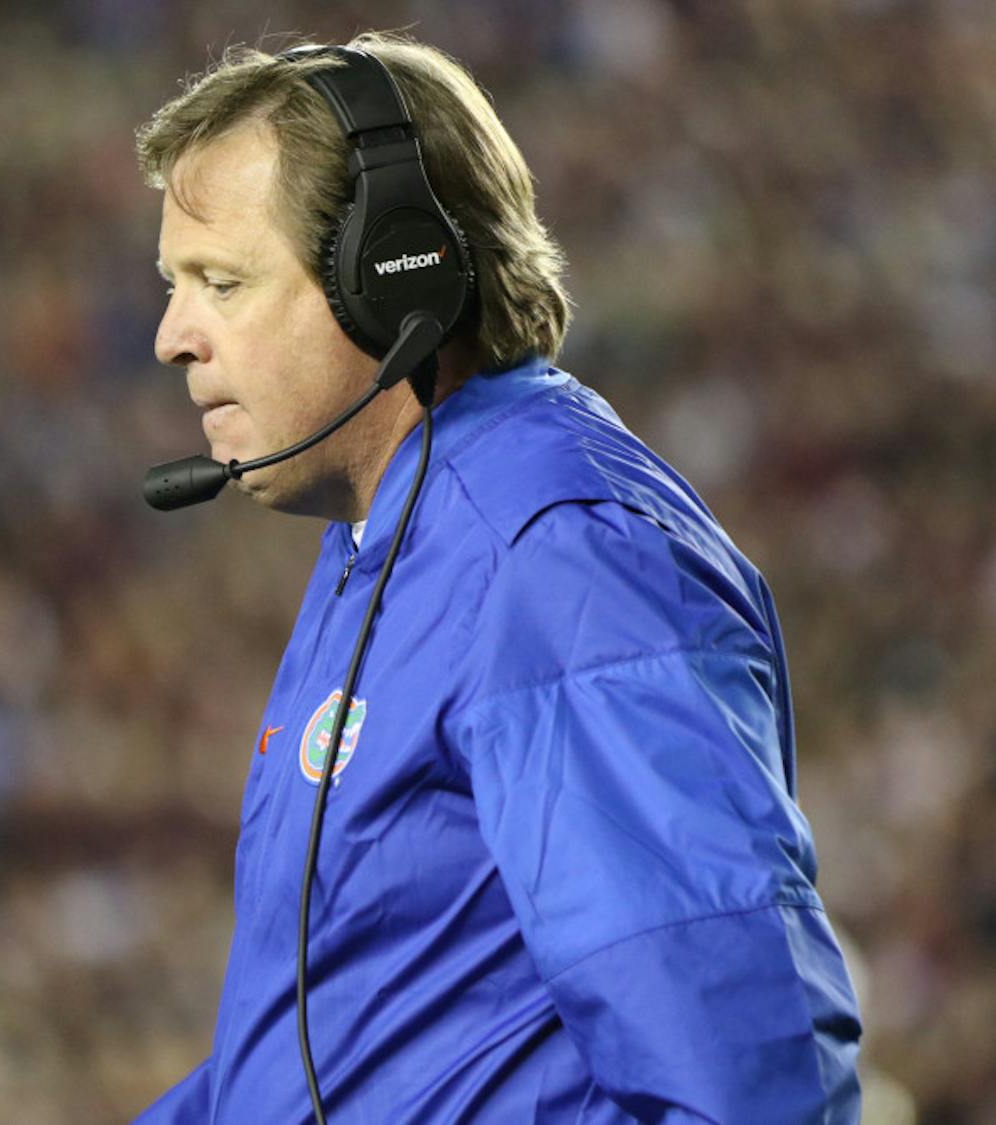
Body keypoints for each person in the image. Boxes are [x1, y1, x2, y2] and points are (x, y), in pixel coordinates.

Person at [134, 32, 862, 1123]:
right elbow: (341, 1058)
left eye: (221, 282)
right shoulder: (393, 537)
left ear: (393, 274)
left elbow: (736, 1074)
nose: (169, 336)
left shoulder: (557, 558)